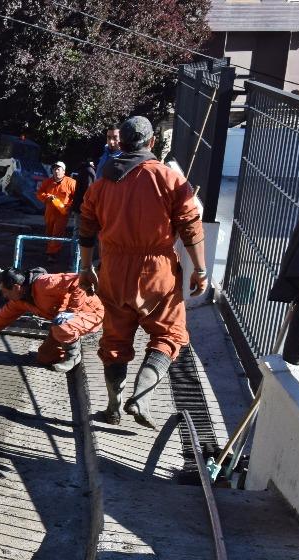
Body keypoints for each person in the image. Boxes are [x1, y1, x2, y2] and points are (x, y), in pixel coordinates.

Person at [78, 115, 209, 427]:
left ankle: (112, 407)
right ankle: (143, 397)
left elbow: (85, 227)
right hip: (157, 271)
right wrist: (200, 270)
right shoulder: (170, 179)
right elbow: (191, 227)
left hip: (112, 269)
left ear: (120, 143)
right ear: (152, 143)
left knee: (114, 341)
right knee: (169, 334)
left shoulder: (101, 182)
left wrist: (85, 268)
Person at [0, 268, 103, 371]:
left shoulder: (45, 283)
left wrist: (71, 311)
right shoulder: (19, 301)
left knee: (62, 325)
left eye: (5, 292)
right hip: (62, 322)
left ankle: (73, 356)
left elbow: (77, 280)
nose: (4, 296)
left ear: (17, 287)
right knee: (45, 358)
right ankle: (67, 343)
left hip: (91, 313)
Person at [36, 162, 76, 258]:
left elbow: (76, 197)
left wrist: (69, 207)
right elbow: (39, 193)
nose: (56, 171)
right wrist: (46, 197)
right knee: (49, 231)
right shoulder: (47, 182)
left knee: (57, 232)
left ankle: (53, 253)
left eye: (58, 169)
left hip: (62, 212)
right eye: (54, 169)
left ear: (64, 171)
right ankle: (50, 248)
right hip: (49, 211)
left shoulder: (71, 182)